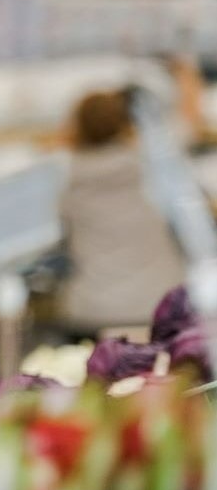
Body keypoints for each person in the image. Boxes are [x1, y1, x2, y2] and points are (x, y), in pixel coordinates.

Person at [58, 88, 184, 333]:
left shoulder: (64, 180)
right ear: (125, 123)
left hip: (94, 311)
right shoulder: (152, 165)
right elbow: (191, 123)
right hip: (159, 302)